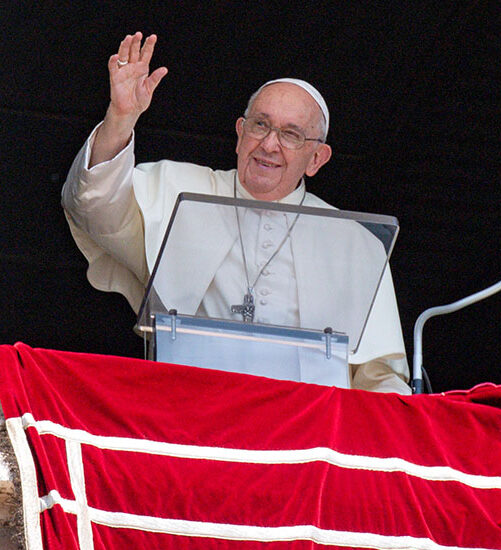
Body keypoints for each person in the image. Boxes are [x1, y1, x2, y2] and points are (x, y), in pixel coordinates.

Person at [62, 32, 411, 394]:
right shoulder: (181, 189)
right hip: (193, 411)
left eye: (291, 135)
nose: (270, 145)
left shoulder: (354, 242)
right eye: (261, 125)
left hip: (309, 435)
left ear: (317, 159)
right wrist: (120, 118)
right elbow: (93, 206)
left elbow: (380, 378)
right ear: (240, 132)